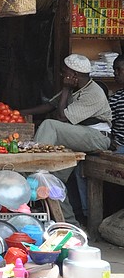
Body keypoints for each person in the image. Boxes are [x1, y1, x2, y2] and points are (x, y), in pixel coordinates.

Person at [21, 54, 113, 224]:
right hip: (77, 134)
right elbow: (49, 105)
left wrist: (65, 89)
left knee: (50, 125)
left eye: (65, 72)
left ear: (74, 76)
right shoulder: (75, 88)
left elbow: (61, 117)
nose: (62, 75)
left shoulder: (93, 93)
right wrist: (19, 112)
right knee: (54, 180)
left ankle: (32, 167)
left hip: (97, 137)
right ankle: (69, 223)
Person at [110, 54, 124, 153]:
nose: (115, 73)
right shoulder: (116, 98)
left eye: (119, 69)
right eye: (114, 69)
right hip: (120, 147)